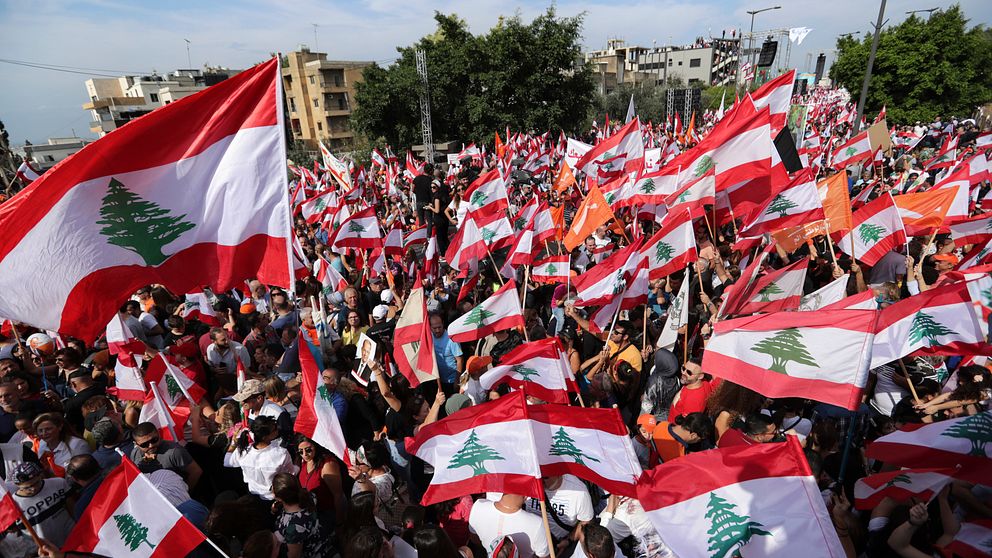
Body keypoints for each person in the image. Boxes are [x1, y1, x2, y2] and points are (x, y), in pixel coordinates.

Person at [224, 416, 297, 501]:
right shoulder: (281, 453)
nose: (278, 429)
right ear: (265, 437)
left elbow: (227, 461)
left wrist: (234, 442)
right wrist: (298, 463)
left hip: (253, 497)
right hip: (275, 498)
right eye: (275, 429)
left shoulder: (243, 450)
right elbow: (291, 474)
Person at [8, 462, 75, 547]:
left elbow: (73, 507)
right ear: (16, 485)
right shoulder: (13, 505)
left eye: (36, 483)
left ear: (41, 475)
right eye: (27, 487)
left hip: (73, 536)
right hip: (48, 549)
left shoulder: (58, 483)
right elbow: (15, 533)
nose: (33, 488)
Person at [271, 473, 334, 558]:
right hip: (320, 541)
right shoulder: (309, 496)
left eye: (272, 488)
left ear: (278, 497)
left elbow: (293, 555)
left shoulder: (294, 527)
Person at [469, 493, 550, 558]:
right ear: (525, 496)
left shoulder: (478, 505)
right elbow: (544, 555)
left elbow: (474, 539)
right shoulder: (537, 523)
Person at [129, 422, 202, 490]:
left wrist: (184, 492)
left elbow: (196, 471)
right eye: (144, 444)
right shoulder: (135, 454)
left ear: (158, 433)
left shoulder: (174, 452)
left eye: (154, 440)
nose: (151, 445)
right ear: (136, 444)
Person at [296, 435, 346, 529]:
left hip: (327, 514)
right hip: (312, 513)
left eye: (308, 450)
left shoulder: (328, 464)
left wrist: (340, 522)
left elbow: (338, 495)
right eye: (300, 451)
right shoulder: (303, 461)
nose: (304, 454)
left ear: (316, 446)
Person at [430, 313, 463, 396]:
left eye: (439, 327)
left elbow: (460, 360)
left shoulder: (451, 339)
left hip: (451, 381)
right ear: (430, 327)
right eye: (434, 328)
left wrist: (457, 381)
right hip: (438, 380)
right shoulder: (429, 337)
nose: (437, 330)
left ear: (443, 324)